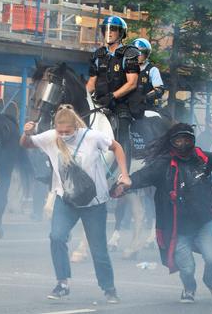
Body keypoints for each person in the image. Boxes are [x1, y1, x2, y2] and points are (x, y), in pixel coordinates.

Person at [20, 104, 130, 303]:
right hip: (67, 199)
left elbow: (117, 147)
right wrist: (26, 133)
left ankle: (109, 288)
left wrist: (125, 175)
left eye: (67, 131)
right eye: (60, 131)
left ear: (76, 127)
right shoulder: (51, 136)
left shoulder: (91, 136)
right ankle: (62, 283)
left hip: (94, 202)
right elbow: (27, 144)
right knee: (56, 237)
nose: (63, 135)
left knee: (98, 249)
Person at [113, 123, 212, 303]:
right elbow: (141, 176)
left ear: (192, 141)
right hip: (178, 227)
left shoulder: (202, 158)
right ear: (171, 142)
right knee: (187, 267)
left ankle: (211, 281)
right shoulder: (163, 165)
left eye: (187, 139)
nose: (183, 143)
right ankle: (189, 289)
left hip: (203, 221)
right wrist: (124, 185)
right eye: (178, 140)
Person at [85, 16, 140, 167]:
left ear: (121, 33)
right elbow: (91, 83)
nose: (108, 33)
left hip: (120, 103)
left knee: (123, 126)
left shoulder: (129, 53)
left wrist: (113, 96)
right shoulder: (97, 55)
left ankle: (124, 174)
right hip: (99, 101)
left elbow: (132, 83)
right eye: (106, 29)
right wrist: (84, 97)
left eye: (113, 29)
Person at [132, 38, 164, 111]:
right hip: (129, 106)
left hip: (147, 107)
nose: (137, 55)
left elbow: (159, 90)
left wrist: (145, 98)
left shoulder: (152, 70)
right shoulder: (127, 69)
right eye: (135, 52)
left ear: (146, 54)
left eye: (141, 52)